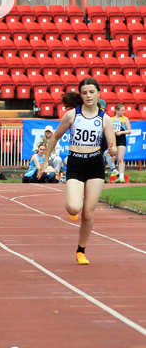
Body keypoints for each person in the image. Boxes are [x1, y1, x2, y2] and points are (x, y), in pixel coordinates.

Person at [39, 78, 116, 265]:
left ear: (99, 93)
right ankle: (73, 208)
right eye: (84, 93)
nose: (88, 96)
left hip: (95, 165)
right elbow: (55, 137)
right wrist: (45, 162)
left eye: (91, 92)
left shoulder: (105, 119)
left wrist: (112, 150)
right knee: (74, 207)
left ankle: (81, 250)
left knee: (88, 214)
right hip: (76, 164)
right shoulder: (72, 115)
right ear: (80, 95)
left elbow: (111, 144)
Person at [111, 104, 131, 183]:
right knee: (113, 158)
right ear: (117, 111)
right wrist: (114, 131)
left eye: (124, 110)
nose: (124, 112)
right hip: (113, 139)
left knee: (120, 158)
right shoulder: (111, 119)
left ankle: (121, 177)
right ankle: (116, 173)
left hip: (121, 139)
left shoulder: (125, 119)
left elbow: (129, 130)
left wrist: (121, 132)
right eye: (122, 110)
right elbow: (108, 129)